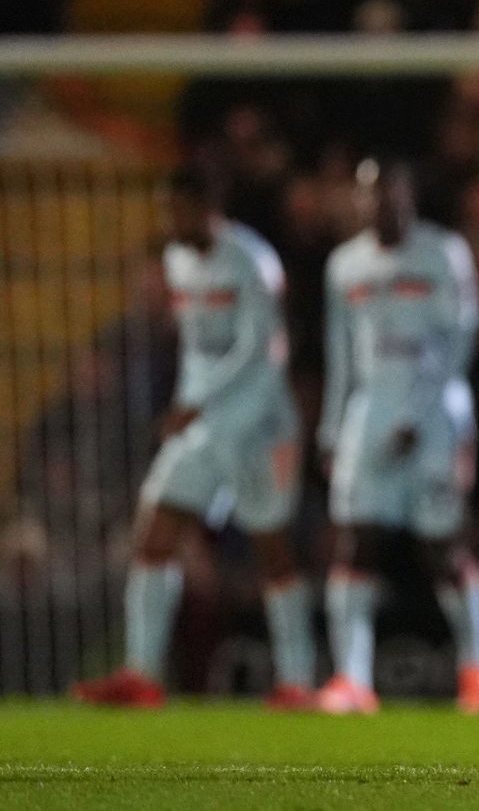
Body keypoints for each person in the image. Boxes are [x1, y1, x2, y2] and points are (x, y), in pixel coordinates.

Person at [74, 169, 316, 710]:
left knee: (271, 550)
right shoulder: (178, 261)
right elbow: (195, 350)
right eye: (166, 212)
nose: (171, 223)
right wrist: (189, 403)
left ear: (210, 206)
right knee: (154, 534)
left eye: (179, 211)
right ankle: (141, 673)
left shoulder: (253, 262)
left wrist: (196, 401)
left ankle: (298, 679)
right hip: (203, 423)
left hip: (258, 422)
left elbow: (263, 351)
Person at [316, 158, 479, 715]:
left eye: (395, 196)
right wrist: (333, 427)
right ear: (359, 202)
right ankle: (351, 677)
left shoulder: (444, 255)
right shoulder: (345, 265)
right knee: (356, 543)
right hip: (369, 414)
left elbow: (458, 344)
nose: (385, 207)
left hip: (435, 417)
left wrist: (418, 416)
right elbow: (340, 354)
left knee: (442, 547)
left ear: (411, 199)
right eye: (374, 197)